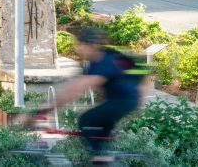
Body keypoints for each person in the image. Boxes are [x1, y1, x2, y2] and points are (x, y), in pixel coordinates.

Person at [34, 28, 146, 165]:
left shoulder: (102, 61)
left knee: (86, 120)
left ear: (86, 45)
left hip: (123, 100)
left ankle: (102, 159)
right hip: (124, 100)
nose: (77, 49)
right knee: (100, 128)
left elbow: (74, 89)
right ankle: (102, 157)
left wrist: (48, 109)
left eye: (79, 45)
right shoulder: (100, 59)